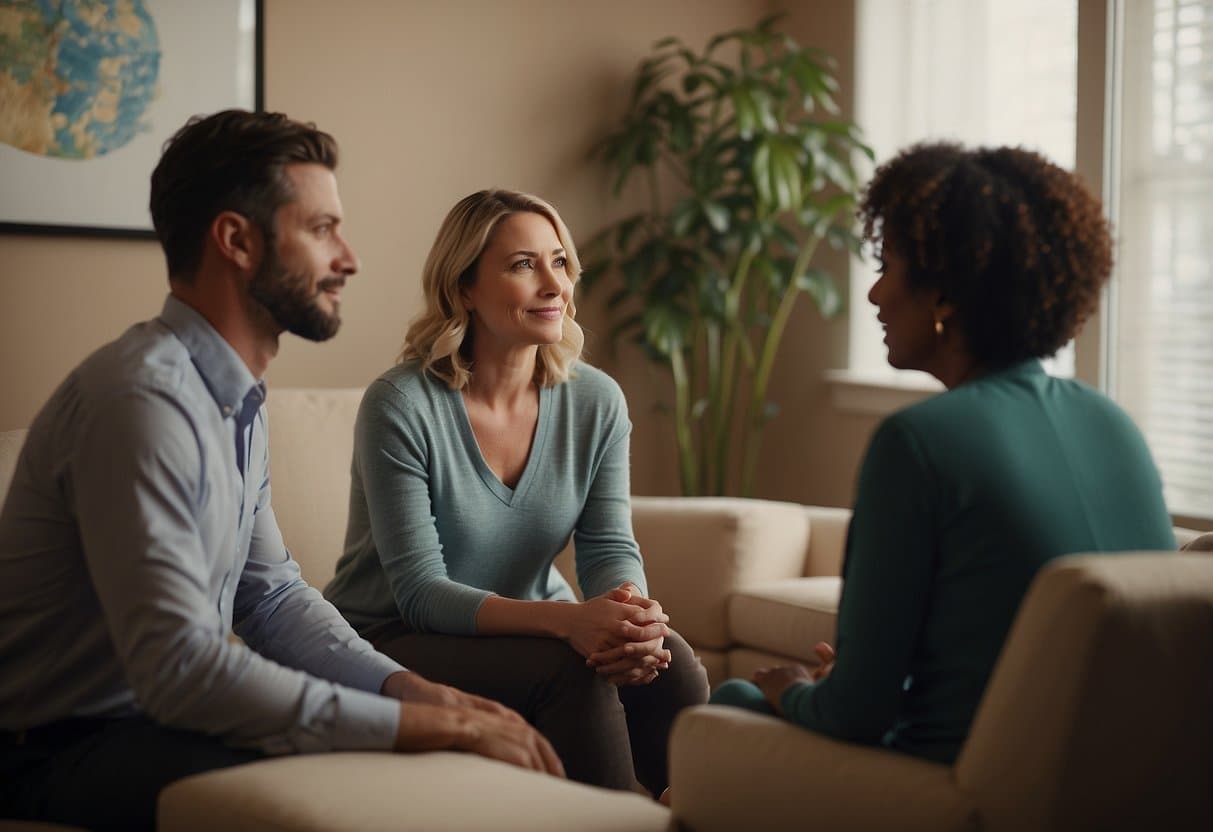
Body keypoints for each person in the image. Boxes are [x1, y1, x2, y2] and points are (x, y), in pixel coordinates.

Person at [0, 111, 561, 832]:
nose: (349, 257)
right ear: (236, 241)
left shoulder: (232, 396)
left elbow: (266, 599)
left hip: (148, 728)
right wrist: (419, 729)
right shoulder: (143, 402)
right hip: (52, 750)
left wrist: (414, 692)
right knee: (370, 790)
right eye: (322, 229)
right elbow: (181, 672)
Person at [709, 142, 1176, 764]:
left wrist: (795, 692)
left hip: (965, 777)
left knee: (738, 698)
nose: (874, 293)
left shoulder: (920, 442)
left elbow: (854, 715)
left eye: (888, 265)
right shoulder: (1113, 424)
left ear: (945, 295)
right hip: (1115, 780)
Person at [323, 188, 710, 796]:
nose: (554, 285)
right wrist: (569, 622)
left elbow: (608, 544)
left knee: (672, 665)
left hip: (527, 624)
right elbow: (422, 593)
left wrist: (628, 617)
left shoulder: (596, 401)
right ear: (463, 289)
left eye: (559, 262)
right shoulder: (400, 404)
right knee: (571, 672)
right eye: (523, 265)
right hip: (392, 634)